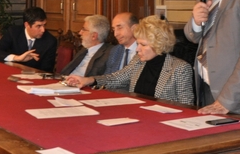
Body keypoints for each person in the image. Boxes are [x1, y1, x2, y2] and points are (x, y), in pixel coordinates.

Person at [65, 16, 194, 106]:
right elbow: (117, 78)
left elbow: (187, 105)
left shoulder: (180, 68)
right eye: (137, 43)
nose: (137, 49)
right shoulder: (139, 61)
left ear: (159, 44)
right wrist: (89, 80)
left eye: (143, 45)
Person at [0, 7, 58, 73]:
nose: (43, 30)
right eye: (38, 26)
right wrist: (16, 58)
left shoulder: (50, 41)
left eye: (44, 25)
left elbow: (46, 71)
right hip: (12, 74)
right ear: (27, 25)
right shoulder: (13, 33)